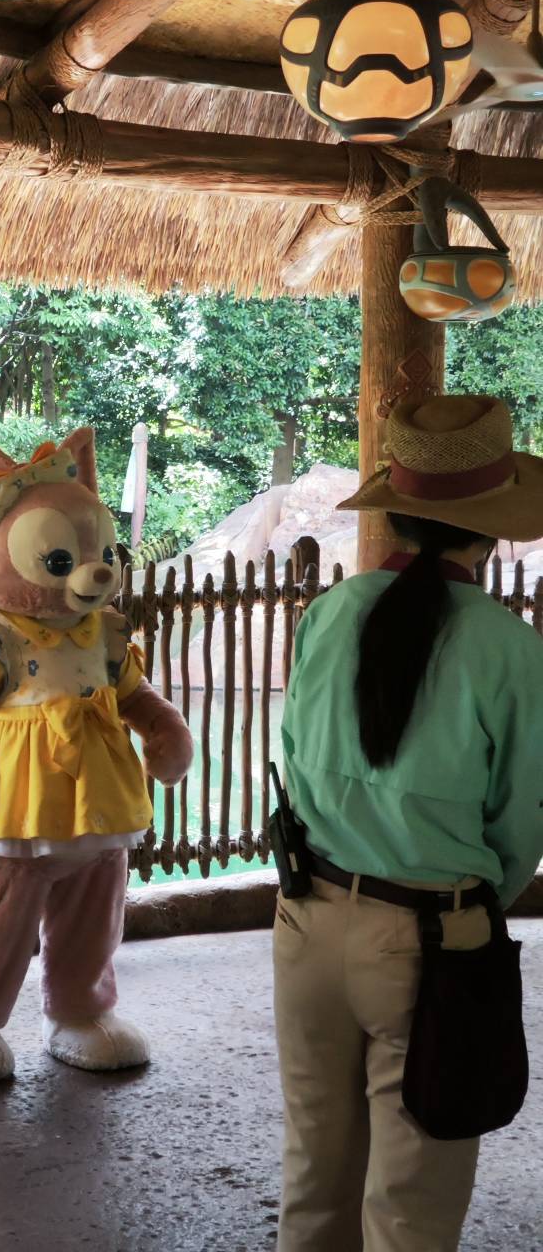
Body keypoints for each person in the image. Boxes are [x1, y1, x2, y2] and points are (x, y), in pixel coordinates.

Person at [274, 393, 543, 1252]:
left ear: (394, 511)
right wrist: (469, 903)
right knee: (411, 1207)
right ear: (489, 530)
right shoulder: (509, 648)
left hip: (306, 921)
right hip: (433, 939)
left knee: (313, 1175)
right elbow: (521, 823)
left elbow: (292, 762)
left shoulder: (328, 614)